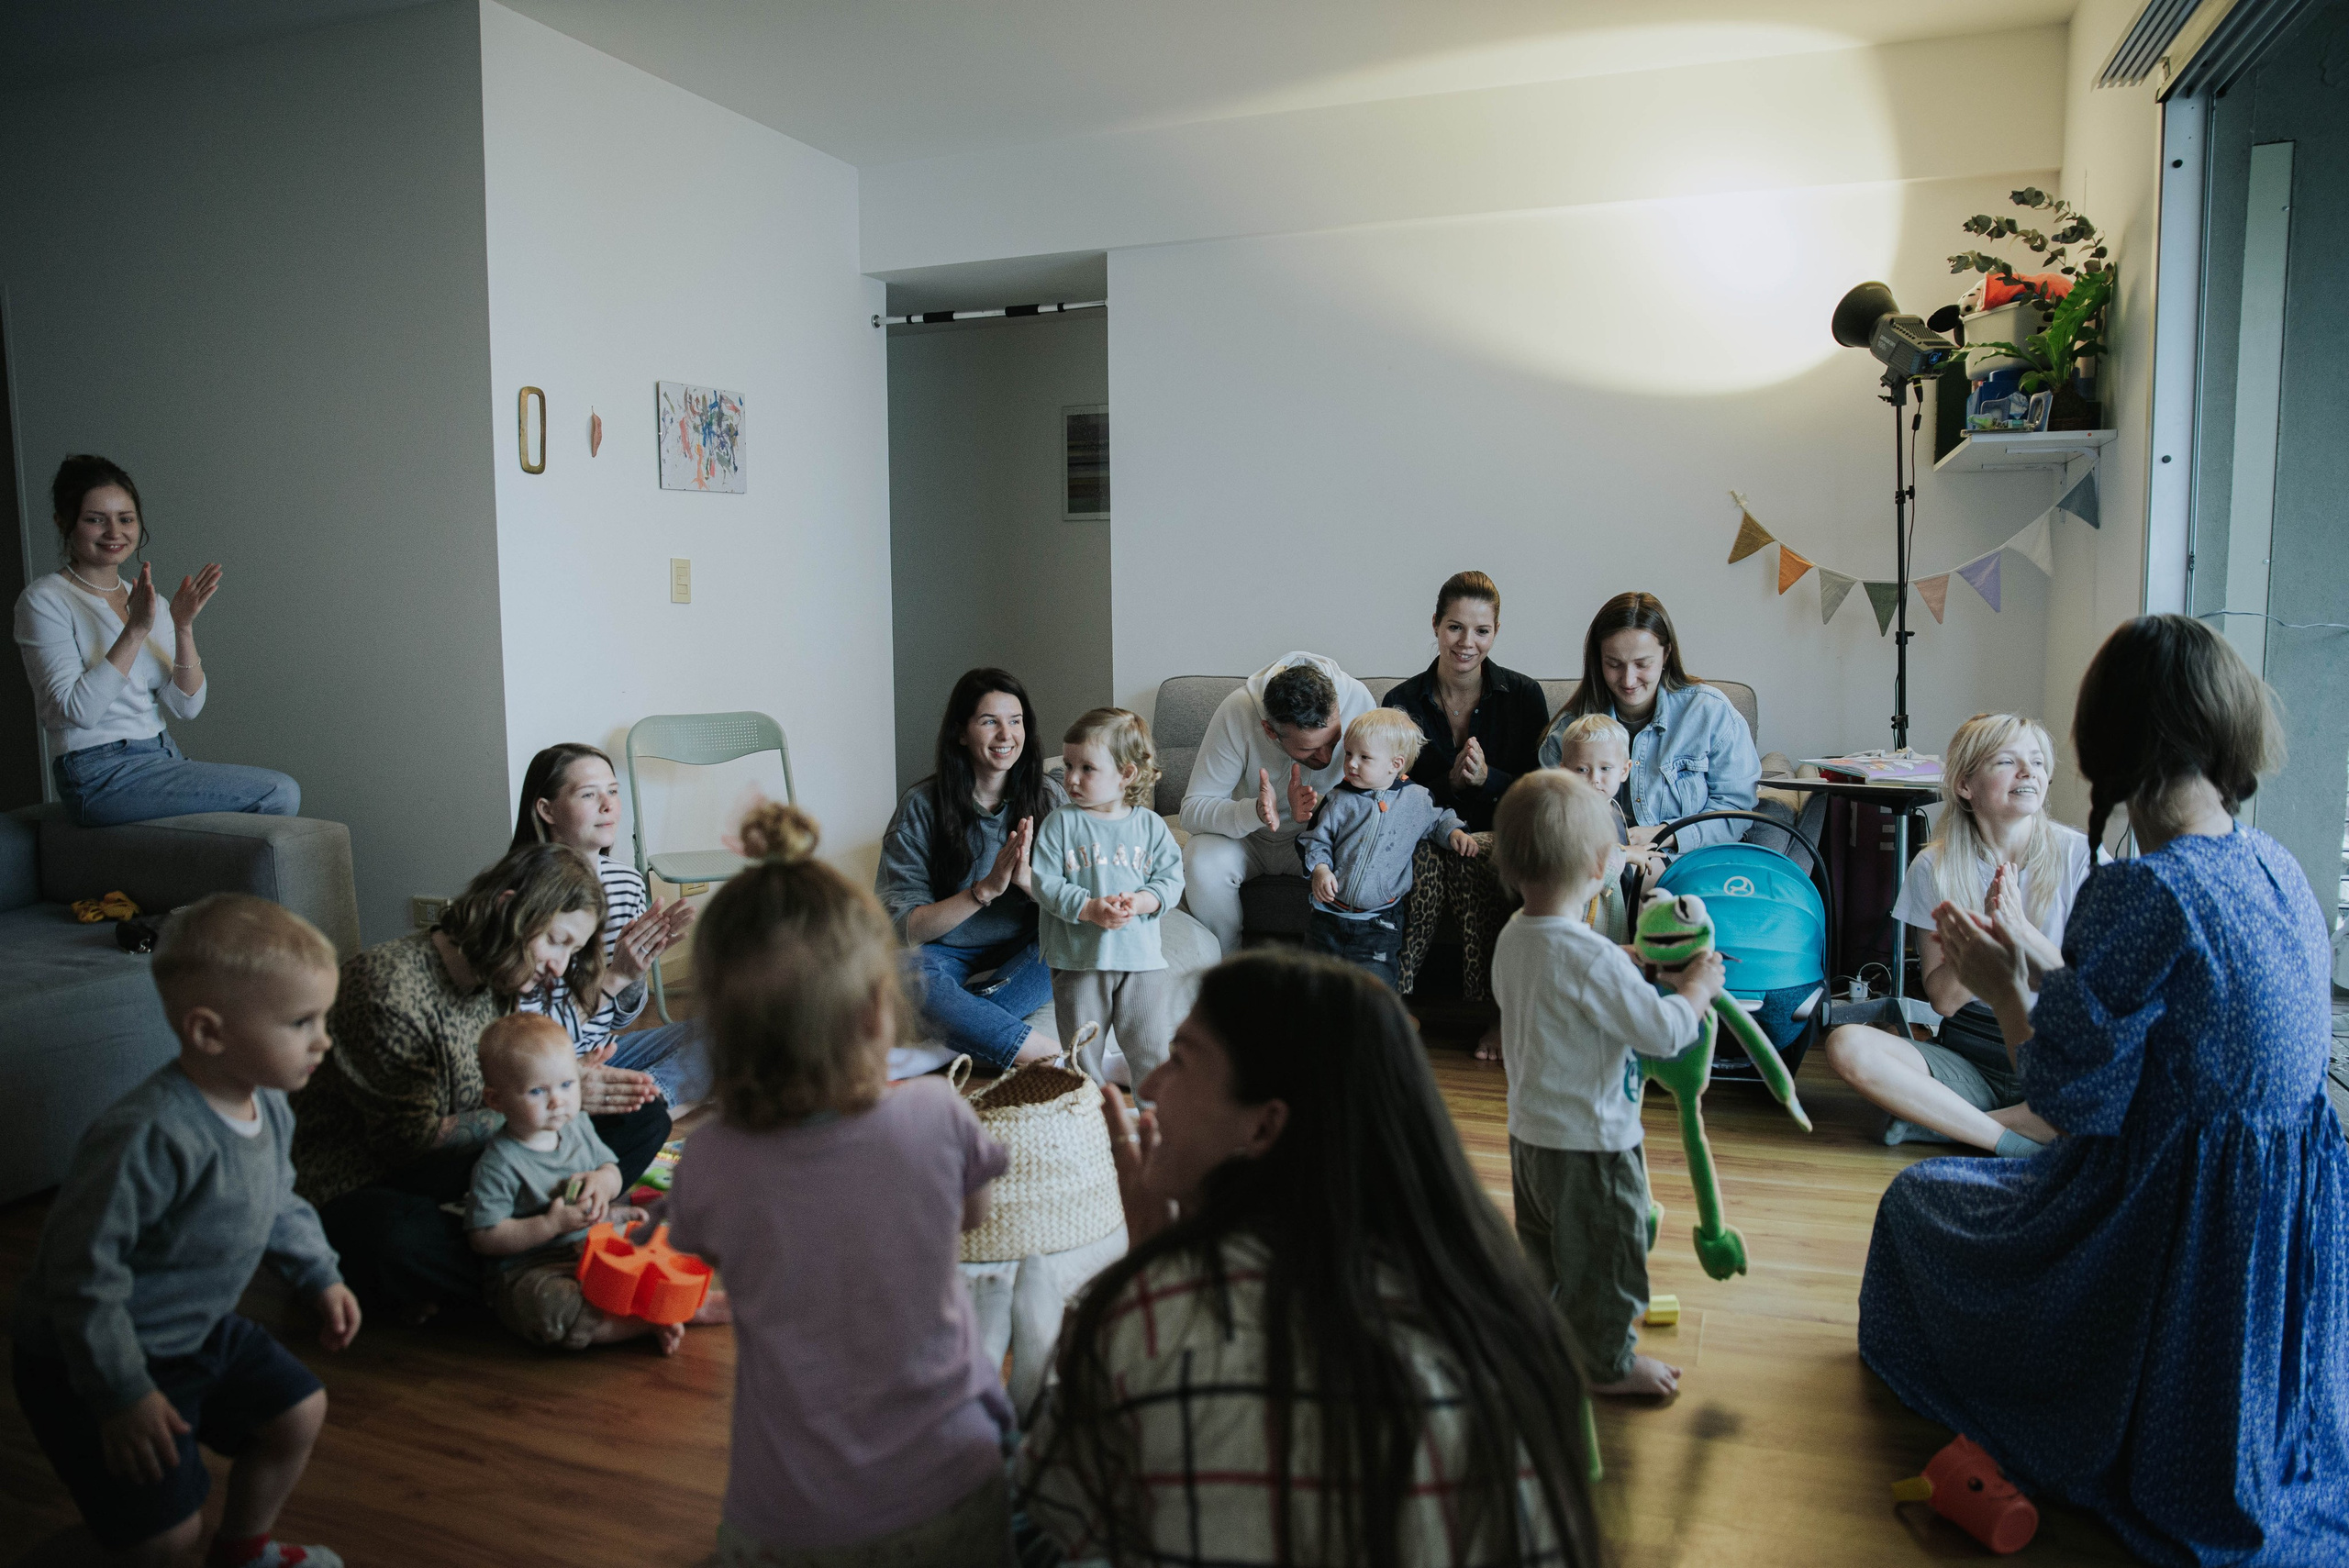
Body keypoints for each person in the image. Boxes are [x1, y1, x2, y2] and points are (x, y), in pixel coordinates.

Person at [1860, 616, 2349, 1568]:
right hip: (2286, 1229)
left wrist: (2004, 985)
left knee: (1919, 1205)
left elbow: (2078, 1098)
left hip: (2178, 1220)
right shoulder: (2277, 863)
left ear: (2105, 745)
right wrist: (2036, 955)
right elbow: (2158, 1013)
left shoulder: (2144, 888)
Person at [1018, 949, 1603, 1565]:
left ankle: (1033, 1387)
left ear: (1264, 1128)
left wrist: (1145, 1264)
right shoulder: (1498, 1312)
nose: (1153, 1084)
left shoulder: (1148, 1315)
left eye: (1181, 1059)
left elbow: (1051, 1520)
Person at [667, 803, 1015, 1568]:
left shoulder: (710, 1160)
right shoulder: (935, 1114)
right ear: (874, 1009)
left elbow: (708, 1255)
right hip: (952, 1481)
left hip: (787, 1514)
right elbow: (973, 1216)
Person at [11, 895, 359, 1568]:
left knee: (295, 1412)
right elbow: (81, 1275)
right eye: (301, 1022)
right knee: (159, 1539)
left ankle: (243, 1552)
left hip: (193, 1328)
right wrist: (123, 1392)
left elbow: (278, 1196)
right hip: (94, 1356)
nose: (324, 1040)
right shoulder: (148, 1135)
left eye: (323, 1017)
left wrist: (321, 1272)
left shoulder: (272, 1103)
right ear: (208, 1032)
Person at [290, 842, 670, 1321]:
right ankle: (531, 1266)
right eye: (556, 941)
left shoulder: (500, 977)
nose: (559, 965)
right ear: (506, 907)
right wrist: (553, 1101)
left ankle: (531, 1242)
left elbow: (507, 1090)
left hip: (480, 1159)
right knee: (394, 1240)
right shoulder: (387, 988)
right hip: (372, 1181)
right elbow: (410, 1143)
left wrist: (565, 1086)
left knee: (646, 1114)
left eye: (571, 950)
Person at [1488, 771, 1720, 1398]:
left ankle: (1544, 1335)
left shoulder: (1513, 937)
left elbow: (1559, 977)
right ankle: (1606, 1363)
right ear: (1600, 865)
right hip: (1593, 1145)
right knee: (1607, 1257)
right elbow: (1663, 1032)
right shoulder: (1586, 958)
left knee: (1548, 1254)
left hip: (1530, 1136)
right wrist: (1698, 987)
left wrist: (1617, 961)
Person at [1822, 714, 2091, 1155]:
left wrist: (2017, 933)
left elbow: (2083, 988)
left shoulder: (2081, 856)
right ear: (1965, 784)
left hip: (2053, 1050)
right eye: (2008, 761)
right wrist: (1987, 936)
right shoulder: (1933, 867)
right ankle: (2012, 1138)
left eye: (2038, 762)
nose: (2028, 772)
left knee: (2113, 1087)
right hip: (1969, 1055)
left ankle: (1949, 1123)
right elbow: (1943, 1000)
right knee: (1847, 1044)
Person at [14, 454, 298, 827]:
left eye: (126, 519)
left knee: (268, 800)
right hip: (97, 775)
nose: (114, 532)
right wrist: (135, 630)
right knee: (279, 792)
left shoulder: (149, 600)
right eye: (95, 519)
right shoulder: (44, 601)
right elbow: (77, 711)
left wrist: (182, 627)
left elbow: (186, 707)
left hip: (162, 757)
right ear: (64, 523)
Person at [463, 1015, 714, 1355]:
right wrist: (549, 1224)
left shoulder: (577, 1125)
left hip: (591, 1242)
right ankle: (649, 1320)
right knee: (550, 1309)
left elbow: (610, 1168)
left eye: (567, 1085)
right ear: (496, 1101)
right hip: (531, 1266)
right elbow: (484, 1237)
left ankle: (677, 1301)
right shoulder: (499, 1163)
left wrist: (603, 1182)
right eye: (538, 1091)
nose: (557, 1101)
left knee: (649, 1246)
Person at [878, 669, 1064, 1070]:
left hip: (1030, 945)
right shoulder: (921, 806)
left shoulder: (1049, 798)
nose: (1006, 735)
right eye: (989, 721)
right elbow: (903, 927)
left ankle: (943, 1046)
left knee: (1076, 944)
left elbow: (1075, 902)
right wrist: (984, 891)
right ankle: (1041, 1053)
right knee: (904, 972)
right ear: (961, 733)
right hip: (945, 950)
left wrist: (1027, 882)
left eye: (1016, 722)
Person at [509, 743, 699, 1102]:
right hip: (540, 1071)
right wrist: (615, 977)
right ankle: (637, 1106)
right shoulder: (517, 899)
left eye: (613, 791)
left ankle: (635, 1102)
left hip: (605, 1054)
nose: (608, 805)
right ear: (547, 810)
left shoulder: (625, 883)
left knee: (737, 1033)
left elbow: (616, 1023)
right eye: (588, 794)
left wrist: (635, 971)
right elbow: (529, 1043)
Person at [1179, 651, 1378, 956]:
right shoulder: (1238, 709)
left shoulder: (1356, 698)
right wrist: (1255, 812)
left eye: (1333, 739)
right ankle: (1226, 965)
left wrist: (1323, 814)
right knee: (1199, 861)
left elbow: (1380, 794)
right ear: (1269, 730)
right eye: (1309, 748)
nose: (1326, 758)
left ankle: (1333, 975)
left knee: (1364, 858)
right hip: (1247, 839)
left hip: (1321, 840)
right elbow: (1192, 811)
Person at [1030, 708, 1186, 1084]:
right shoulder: (1061, 823)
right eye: (1068, 766)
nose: (1071, 778)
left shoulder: (1149, 827)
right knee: (1082, 1055)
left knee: (1149, 1046)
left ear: (1126, 774)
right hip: (1079, 960)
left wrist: (1143, 901)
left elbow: (1171, 879)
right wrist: (1087, 908)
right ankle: (1091, 1123)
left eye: (1087, 768)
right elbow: (1043, 883)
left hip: (1141, 960)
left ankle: (1156, 1124)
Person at [1537, 592, 1758, 854]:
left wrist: (1666, 833)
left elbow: (1736, 808)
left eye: (1642, 664)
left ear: (1666, 655)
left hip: (1689, 860)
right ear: (1598, 661)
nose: (1628, 680)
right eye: (1614, 664)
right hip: (1599, 865)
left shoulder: (1710, 712)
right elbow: (1550, 818)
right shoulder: (1570, 731)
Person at [1297, 707, 1476, 990]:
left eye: (1364, 757)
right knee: (1313, 986)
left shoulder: (1416, 799)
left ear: (1396, 764)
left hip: (1379, 923)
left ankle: (1374, 1031)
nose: (1352, 764)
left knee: (1376, 989)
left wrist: (1455, 832)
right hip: (1328, 918)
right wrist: (1320, 869)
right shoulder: (1338, 800)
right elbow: (1314, 841)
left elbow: (1438, 819)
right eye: (1348, 754)